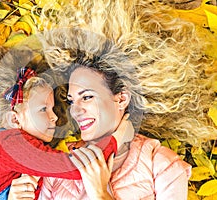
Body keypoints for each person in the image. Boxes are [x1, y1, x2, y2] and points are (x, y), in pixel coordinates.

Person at [37, 28, 192, 200]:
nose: (75, 110)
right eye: (72, 101)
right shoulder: (58, 167)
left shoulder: (162, 166)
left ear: (121, 99)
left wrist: (100, 194)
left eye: (87, 97)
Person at [0, 48, 119, 200]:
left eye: (52, 108)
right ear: (15, 119)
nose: (54, 117)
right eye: (43, 109)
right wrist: (111, 139)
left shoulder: (17, 147)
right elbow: (75, 168)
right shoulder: (11, 145)